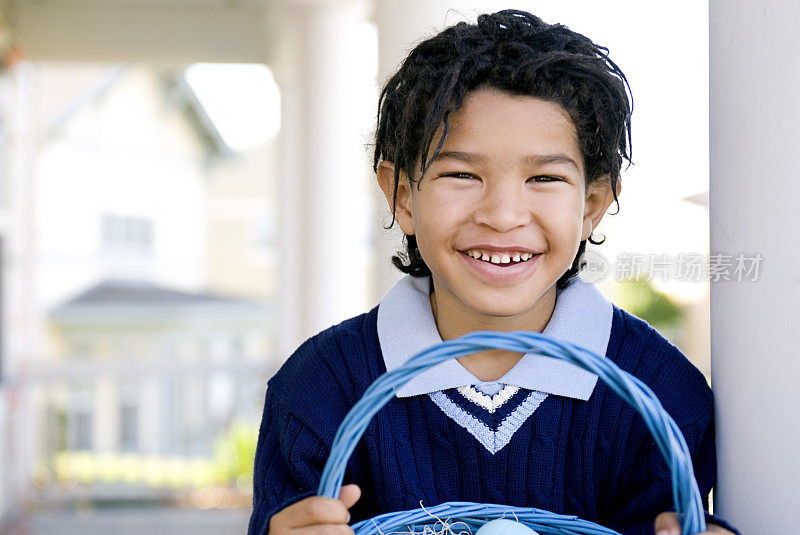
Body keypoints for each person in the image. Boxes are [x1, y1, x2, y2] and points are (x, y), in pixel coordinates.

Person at [248, 10, 739, 535]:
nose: (503, 215)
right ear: (401, 195)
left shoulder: (660, 394)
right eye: (462, 173)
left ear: (592, 204)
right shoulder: (320, 390)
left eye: (544, 177)